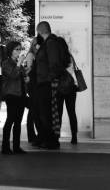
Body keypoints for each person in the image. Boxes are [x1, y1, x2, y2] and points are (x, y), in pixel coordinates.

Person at [34, 21, 67, 149]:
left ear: (40, 31)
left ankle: (51, 140)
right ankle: (48, 139)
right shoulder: (48, 43)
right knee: (45, 113)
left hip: (47, 83)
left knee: (48, 113)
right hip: (44, 82)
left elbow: (54, 63)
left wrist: (49, 79)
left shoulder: (51, 43)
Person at [0, 41, 27, 155]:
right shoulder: (6, 63)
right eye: (17, 49)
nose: (19, 51)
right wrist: (19, 64)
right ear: (10, 51)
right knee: (10, 119)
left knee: (18, 121)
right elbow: (13, 75)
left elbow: (22, 76)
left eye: (20, 49)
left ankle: (16, 146)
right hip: (11, 94)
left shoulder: (18, 63)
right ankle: (5, 147)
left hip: (20, 94)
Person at [57, 37, 79, 145]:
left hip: (59, 88)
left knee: (58, 113)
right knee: (72, 112)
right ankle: (74, 136)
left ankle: (57, 136)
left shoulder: (57, 58)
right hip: (71, 88)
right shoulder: (70, 56)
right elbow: (73, 71)